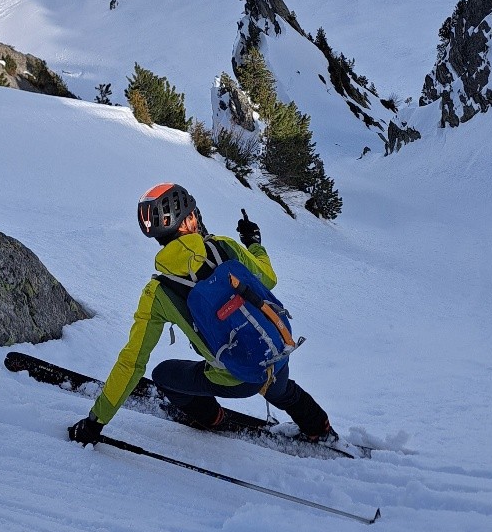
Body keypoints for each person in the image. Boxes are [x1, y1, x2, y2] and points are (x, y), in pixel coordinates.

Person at [68, 182, 335, 446]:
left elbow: (132, 363)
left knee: (163, 375)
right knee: (282, 389)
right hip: (276, 352)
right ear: (185, 224)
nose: (197, 217)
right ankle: (319, 428)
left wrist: (95, 423)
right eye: (193, 213)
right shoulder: (223, 247)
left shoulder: (158, 292)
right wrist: (254, 244)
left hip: (236, 380)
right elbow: (269, 278)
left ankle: (211, 418)